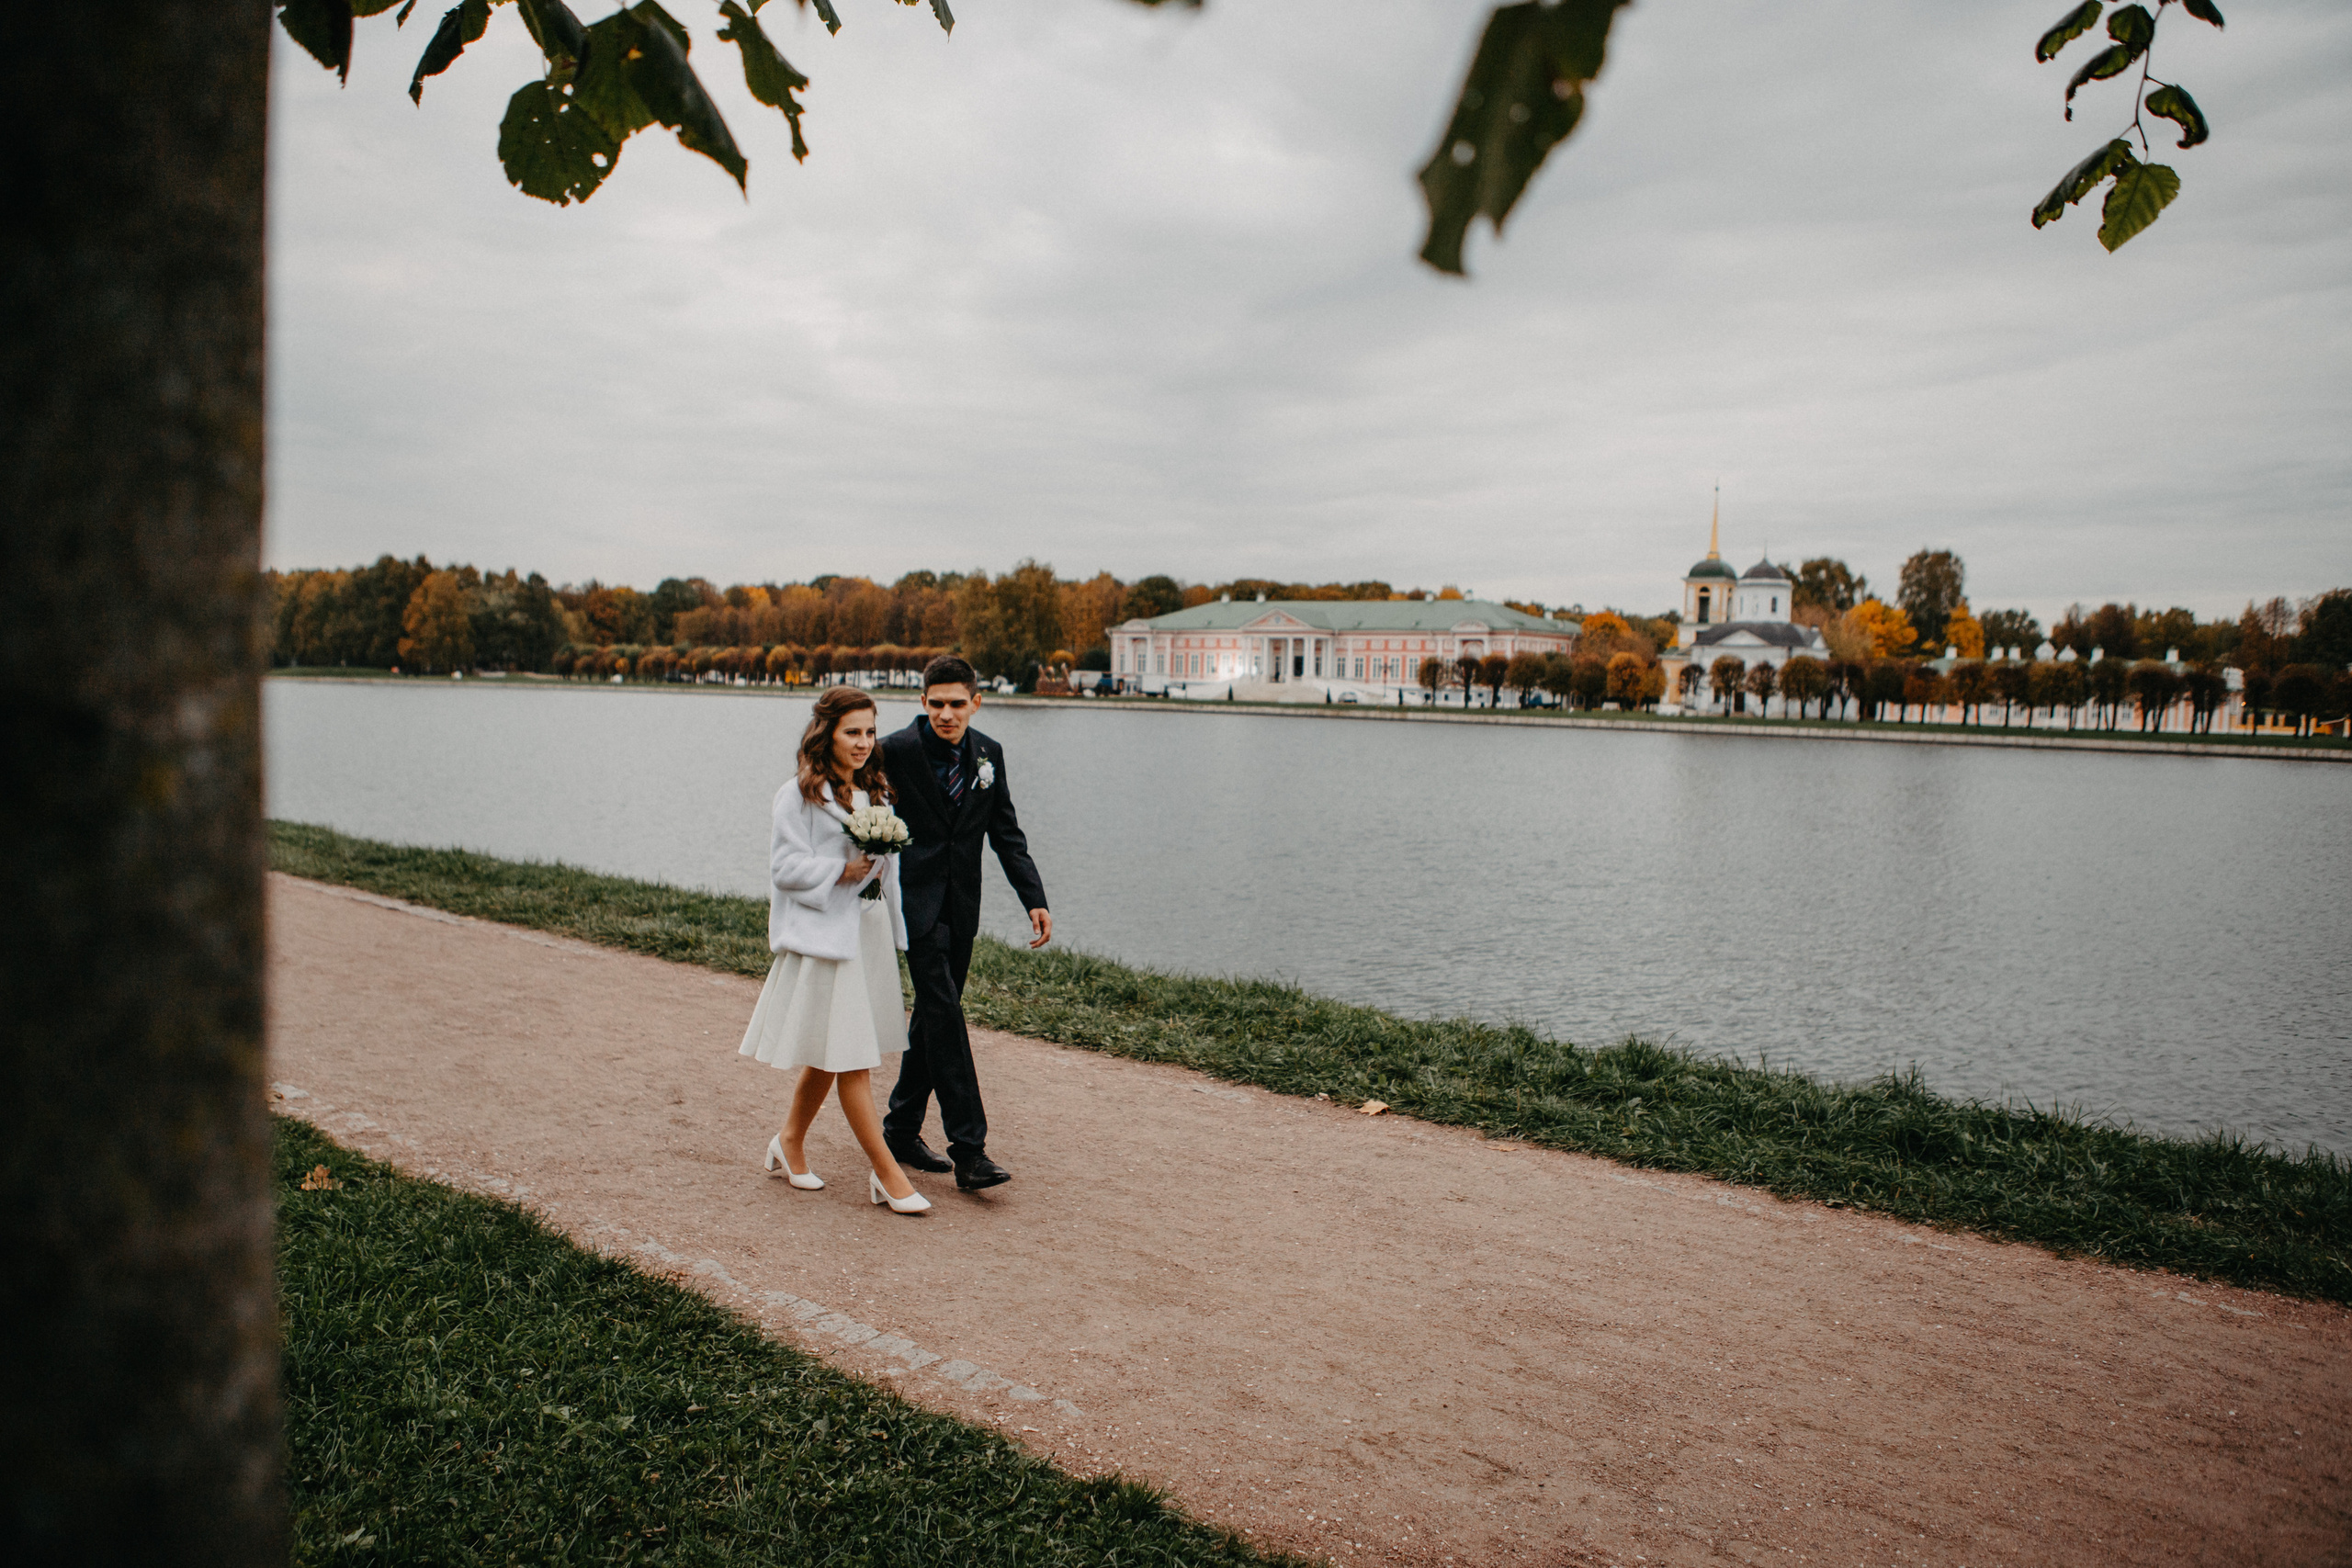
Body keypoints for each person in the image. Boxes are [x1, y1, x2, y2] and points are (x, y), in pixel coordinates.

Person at [739, 687, 931, 1215]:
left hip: (865, 935)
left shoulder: (877, 793)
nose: (864, 742)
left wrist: (880, 871)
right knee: (851, 1062)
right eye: (853, 732)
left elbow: (883, 870)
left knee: (830, 1054)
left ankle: (789, 1141)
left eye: (870, 731)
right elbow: (783, 869)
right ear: (828, 734)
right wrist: (838, 872)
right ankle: (889, 1176)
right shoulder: (798, 796)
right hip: (827, 940)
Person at [878, 655, 1050, 1191]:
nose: (947, 714)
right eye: (937, 704)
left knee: (933, 1018)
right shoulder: (896, 751)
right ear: (922, 701)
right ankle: (969, 1151)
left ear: (977, 702)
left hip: (963, 906)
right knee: (946, 1013)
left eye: (957, 704)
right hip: (915, 904)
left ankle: (901, 1129)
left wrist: (1033, 897)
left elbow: (1006, 833)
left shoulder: (988, 754)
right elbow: (858, 806)